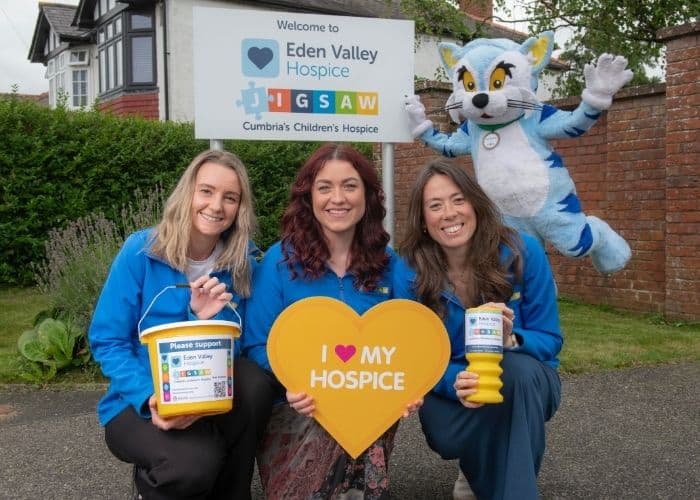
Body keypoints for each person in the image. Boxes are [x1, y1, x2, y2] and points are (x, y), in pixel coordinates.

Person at [88, 149, 277, 500]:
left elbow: (239, 345)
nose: (216, 206)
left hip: (207, 394)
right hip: (138, 400)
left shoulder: (243, 262)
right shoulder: (141, 252)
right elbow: (108, 340)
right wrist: (151, 397)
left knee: (254, 383)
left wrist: (202, 319)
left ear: (240, 207)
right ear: (188, 192)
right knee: (193, 465)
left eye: (230, 197)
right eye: (206, 191)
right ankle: (158, 482)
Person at [242, 143, 419, 500]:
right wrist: (296, 382)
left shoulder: (390, 264)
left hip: (368, 405)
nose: (337, 198)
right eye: (325, 187)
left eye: (350, 186)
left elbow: (411, 339)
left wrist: (409, 389)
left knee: (359, 412)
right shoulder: (279, 261)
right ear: (309, 197)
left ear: (367, 195)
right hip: (296, 407)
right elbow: (257, 344)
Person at [393, 159, 562, 500]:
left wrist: (510, 339)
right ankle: (479, 466)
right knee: (446, 435)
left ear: (475, 203)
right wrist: (453, 380)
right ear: (423, 220)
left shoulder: (523, 251)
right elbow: (411, 355)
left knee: (515, 374)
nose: (449, 213)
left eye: (458, 200)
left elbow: (550, 339)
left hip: (526, 382)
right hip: (451, 386)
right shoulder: (408, 270)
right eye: (435, 205)